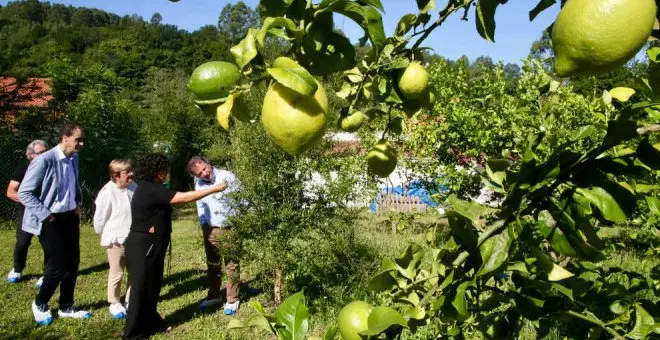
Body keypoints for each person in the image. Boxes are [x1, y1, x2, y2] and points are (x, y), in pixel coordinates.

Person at [124, 153, 227, 339]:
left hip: (153, 244)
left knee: (152, 286)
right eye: (163, 171)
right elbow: (185, 198)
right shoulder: (149, 189)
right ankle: (133, 334)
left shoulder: (153, 187)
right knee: (141, 288)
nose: (166, 174)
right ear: (155, 171)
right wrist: (215, 189)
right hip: (144, 245)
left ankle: (152, 322)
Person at [18, 123, 90, 326]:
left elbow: (72, 184)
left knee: (72, 263)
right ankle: (40, 303)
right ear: (65, 138)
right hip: (50, 220)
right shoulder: (44, 160)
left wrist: (78, 203)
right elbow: (24, 192)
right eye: (78, 139)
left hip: (70, 217)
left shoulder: (74, 158)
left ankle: (66, 306)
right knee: (57, 265)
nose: (81, 143)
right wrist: (46, 215)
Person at [187, 156, 242, 314]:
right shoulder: (198, 183)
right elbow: (200, 204)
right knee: (212, 264)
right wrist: (203, 223)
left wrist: (242, 219)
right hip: (210, 229)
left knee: (231, 264)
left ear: (208, 163)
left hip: (230, 227)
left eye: (204, 168)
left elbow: (242, 197)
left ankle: (232, 299)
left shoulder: (227, 176)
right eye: (199, 173)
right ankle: (214, 295)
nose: (204, 173)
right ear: (196, 176)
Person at [93, 159, 136, 319]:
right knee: (117, 271)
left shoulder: (133, 187)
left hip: (133, 236)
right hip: (116, 238)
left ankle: (131, 300)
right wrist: (103, 233)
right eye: (127, 172)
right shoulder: (107, 191)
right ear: (116, 175)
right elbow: (100, 217)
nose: (131, 174)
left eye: (131, 170)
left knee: (134, 271)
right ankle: (114, 302)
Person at [6, 140, 48, 286]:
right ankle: (17, 269)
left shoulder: (51, 168)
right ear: (31, 155)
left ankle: (47, 275)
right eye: (41, 153)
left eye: (46, 152)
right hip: (27, 212)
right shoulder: (24, 168)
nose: (45, 155)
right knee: (22, 242)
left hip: (48, 213)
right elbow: (11, 192)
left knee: (49, 244)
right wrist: (31, 204)